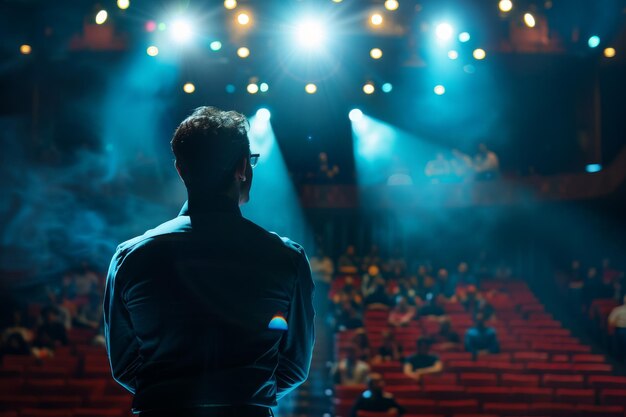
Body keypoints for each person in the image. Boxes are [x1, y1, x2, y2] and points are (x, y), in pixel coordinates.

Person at [104, 107, 315, 417]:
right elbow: (294, 368)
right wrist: (245, 394)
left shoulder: (130, 256)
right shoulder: (287, 257)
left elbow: (124, 366)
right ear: (243, 167)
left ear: (180, 169)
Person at [608, 295, 626, 361]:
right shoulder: (618, 310)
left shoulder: (617, 310)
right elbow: (611, 321)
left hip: (620, 330)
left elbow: (611, 321)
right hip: (620, 330)